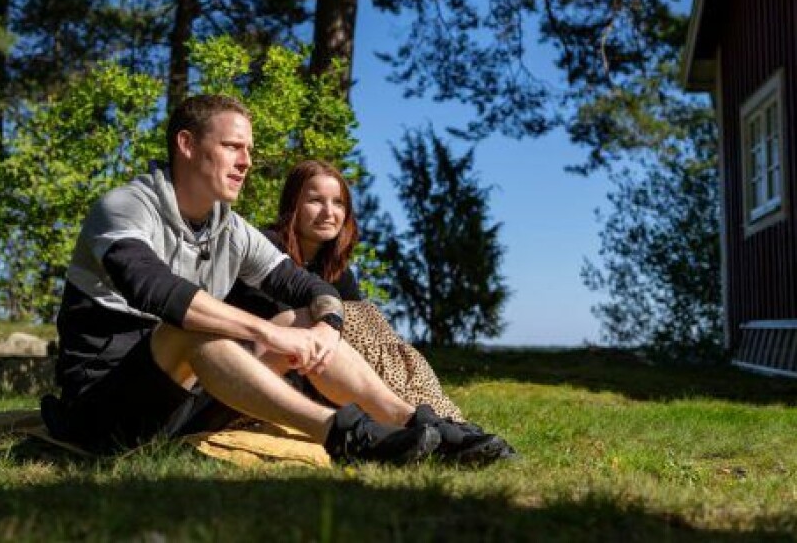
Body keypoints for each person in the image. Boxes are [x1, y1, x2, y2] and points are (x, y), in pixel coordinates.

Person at [42, 94, 509, 465]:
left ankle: (418, 423)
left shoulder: (231, 229)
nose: (246, 161)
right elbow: (152, 289)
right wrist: (265, 331)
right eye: (232, 147)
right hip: (103, 410)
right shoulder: (125, 207)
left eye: (249, 149)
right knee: (196, 326)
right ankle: (346, 434)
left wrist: (324, 327)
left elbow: (314, 289)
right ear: (186, 145)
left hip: (184, 405)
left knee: (300, 317)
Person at [225, 159, 517, 463]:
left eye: (338, 203)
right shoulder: (267, 251)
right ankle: (431, 425)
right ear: (292, 205)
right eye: (315, 200)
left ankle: (439, 422)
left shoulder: (338, 272)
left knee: (376, 330)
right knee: (342, 319)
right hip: (249, 375)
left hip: (317, 373)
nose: (329, 212)